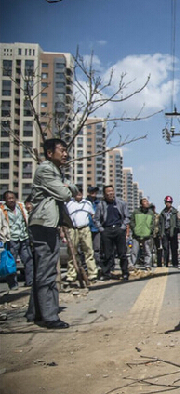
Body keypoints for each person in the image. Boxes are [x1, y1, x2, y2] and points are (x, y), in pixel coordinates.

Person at [25, 138, 78, 329]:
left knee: (43, 269)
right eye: (62, 150)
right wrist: (66, 188)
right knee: (47, 271)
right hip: (44, 225)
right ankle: (49, 317)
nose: (65, 154)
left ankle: (35, 313)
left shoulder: (57, 172)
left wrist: (66, 187)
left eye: (66, 151)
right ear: (49, 153)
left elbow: (73, 190)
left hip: (48, 224)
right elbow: (65, 194)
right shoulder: (46, 170)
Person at [93, 185, 130, 281]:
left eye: (111, 191)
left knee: (122, 253)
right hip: (107, 230)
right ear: (105, 194)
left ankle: (125, 273)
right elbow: (96, 219)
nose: (110, 193)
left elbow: (127, 217)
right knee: (106, 254)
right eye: (108, 191)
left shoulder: (121, 203)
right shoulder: (101, 205)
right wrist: (101, 229)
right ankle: (106, 274)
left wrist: (122, 227)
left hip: (118, 229)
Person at [64, 187, 98, 283]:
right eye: (76, 192)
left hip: (85, 228)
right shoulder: (68, 203)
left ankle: (92, 274)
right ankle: (71, 275)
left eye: (80, 192)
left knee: (88, 251)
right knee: (72, 253)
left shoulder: (87, 203)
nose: (79, 193)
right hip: (72, 229)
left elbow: (93, 215)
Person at [1, 190, 33, 289]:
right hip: (11, 239)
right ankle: (13, 285)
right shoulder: (2, 210)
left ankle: (30, 281)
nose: (11, 200)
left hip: (24, 238)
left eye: (12, 198)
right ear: (5, 200)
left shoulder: (21, 207)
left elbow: (28, 214)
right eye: (9, 198)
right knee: (11, 263)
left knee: (28, 261)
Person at [129, 198, 155, 271]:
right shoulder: (136, 212)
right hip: (136, 235)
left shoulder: (150, 213)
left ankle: (147, 265)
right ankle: (132, 264)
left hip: (147, 235)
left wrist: (150, 230)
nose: (146, 203)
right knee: (134, 251)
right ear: (141, 204)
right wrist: (134, 229)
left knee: (147, 251)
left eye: (147, 201)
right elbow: (131, 222)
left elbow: (153, 223)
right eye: (144, 201)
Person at [159, 195, 179, 267]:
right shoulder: (162, 213)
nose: (168, 203)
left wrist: (177, 230)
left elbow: (178, 222)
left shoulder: (175, 212)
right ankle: (166, 263)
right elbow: (160, 224)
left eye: (169, 202)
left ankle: (175, 263)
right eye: (167, 202)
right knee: (166, 248)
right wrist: (161, 233)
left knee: (174, 248)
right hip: (165, 231)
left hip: (173, 231)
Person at [86, 186, 101, 268]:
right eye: (92, 191)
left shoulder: (99, 203)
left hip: (96, 229)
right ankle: (86, 267)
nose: (94, 193)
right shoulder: (84, 202)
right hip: (86, 228)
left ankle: (97, 266)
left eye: (95, 191)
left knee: (97, 248)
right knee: (86, 249)